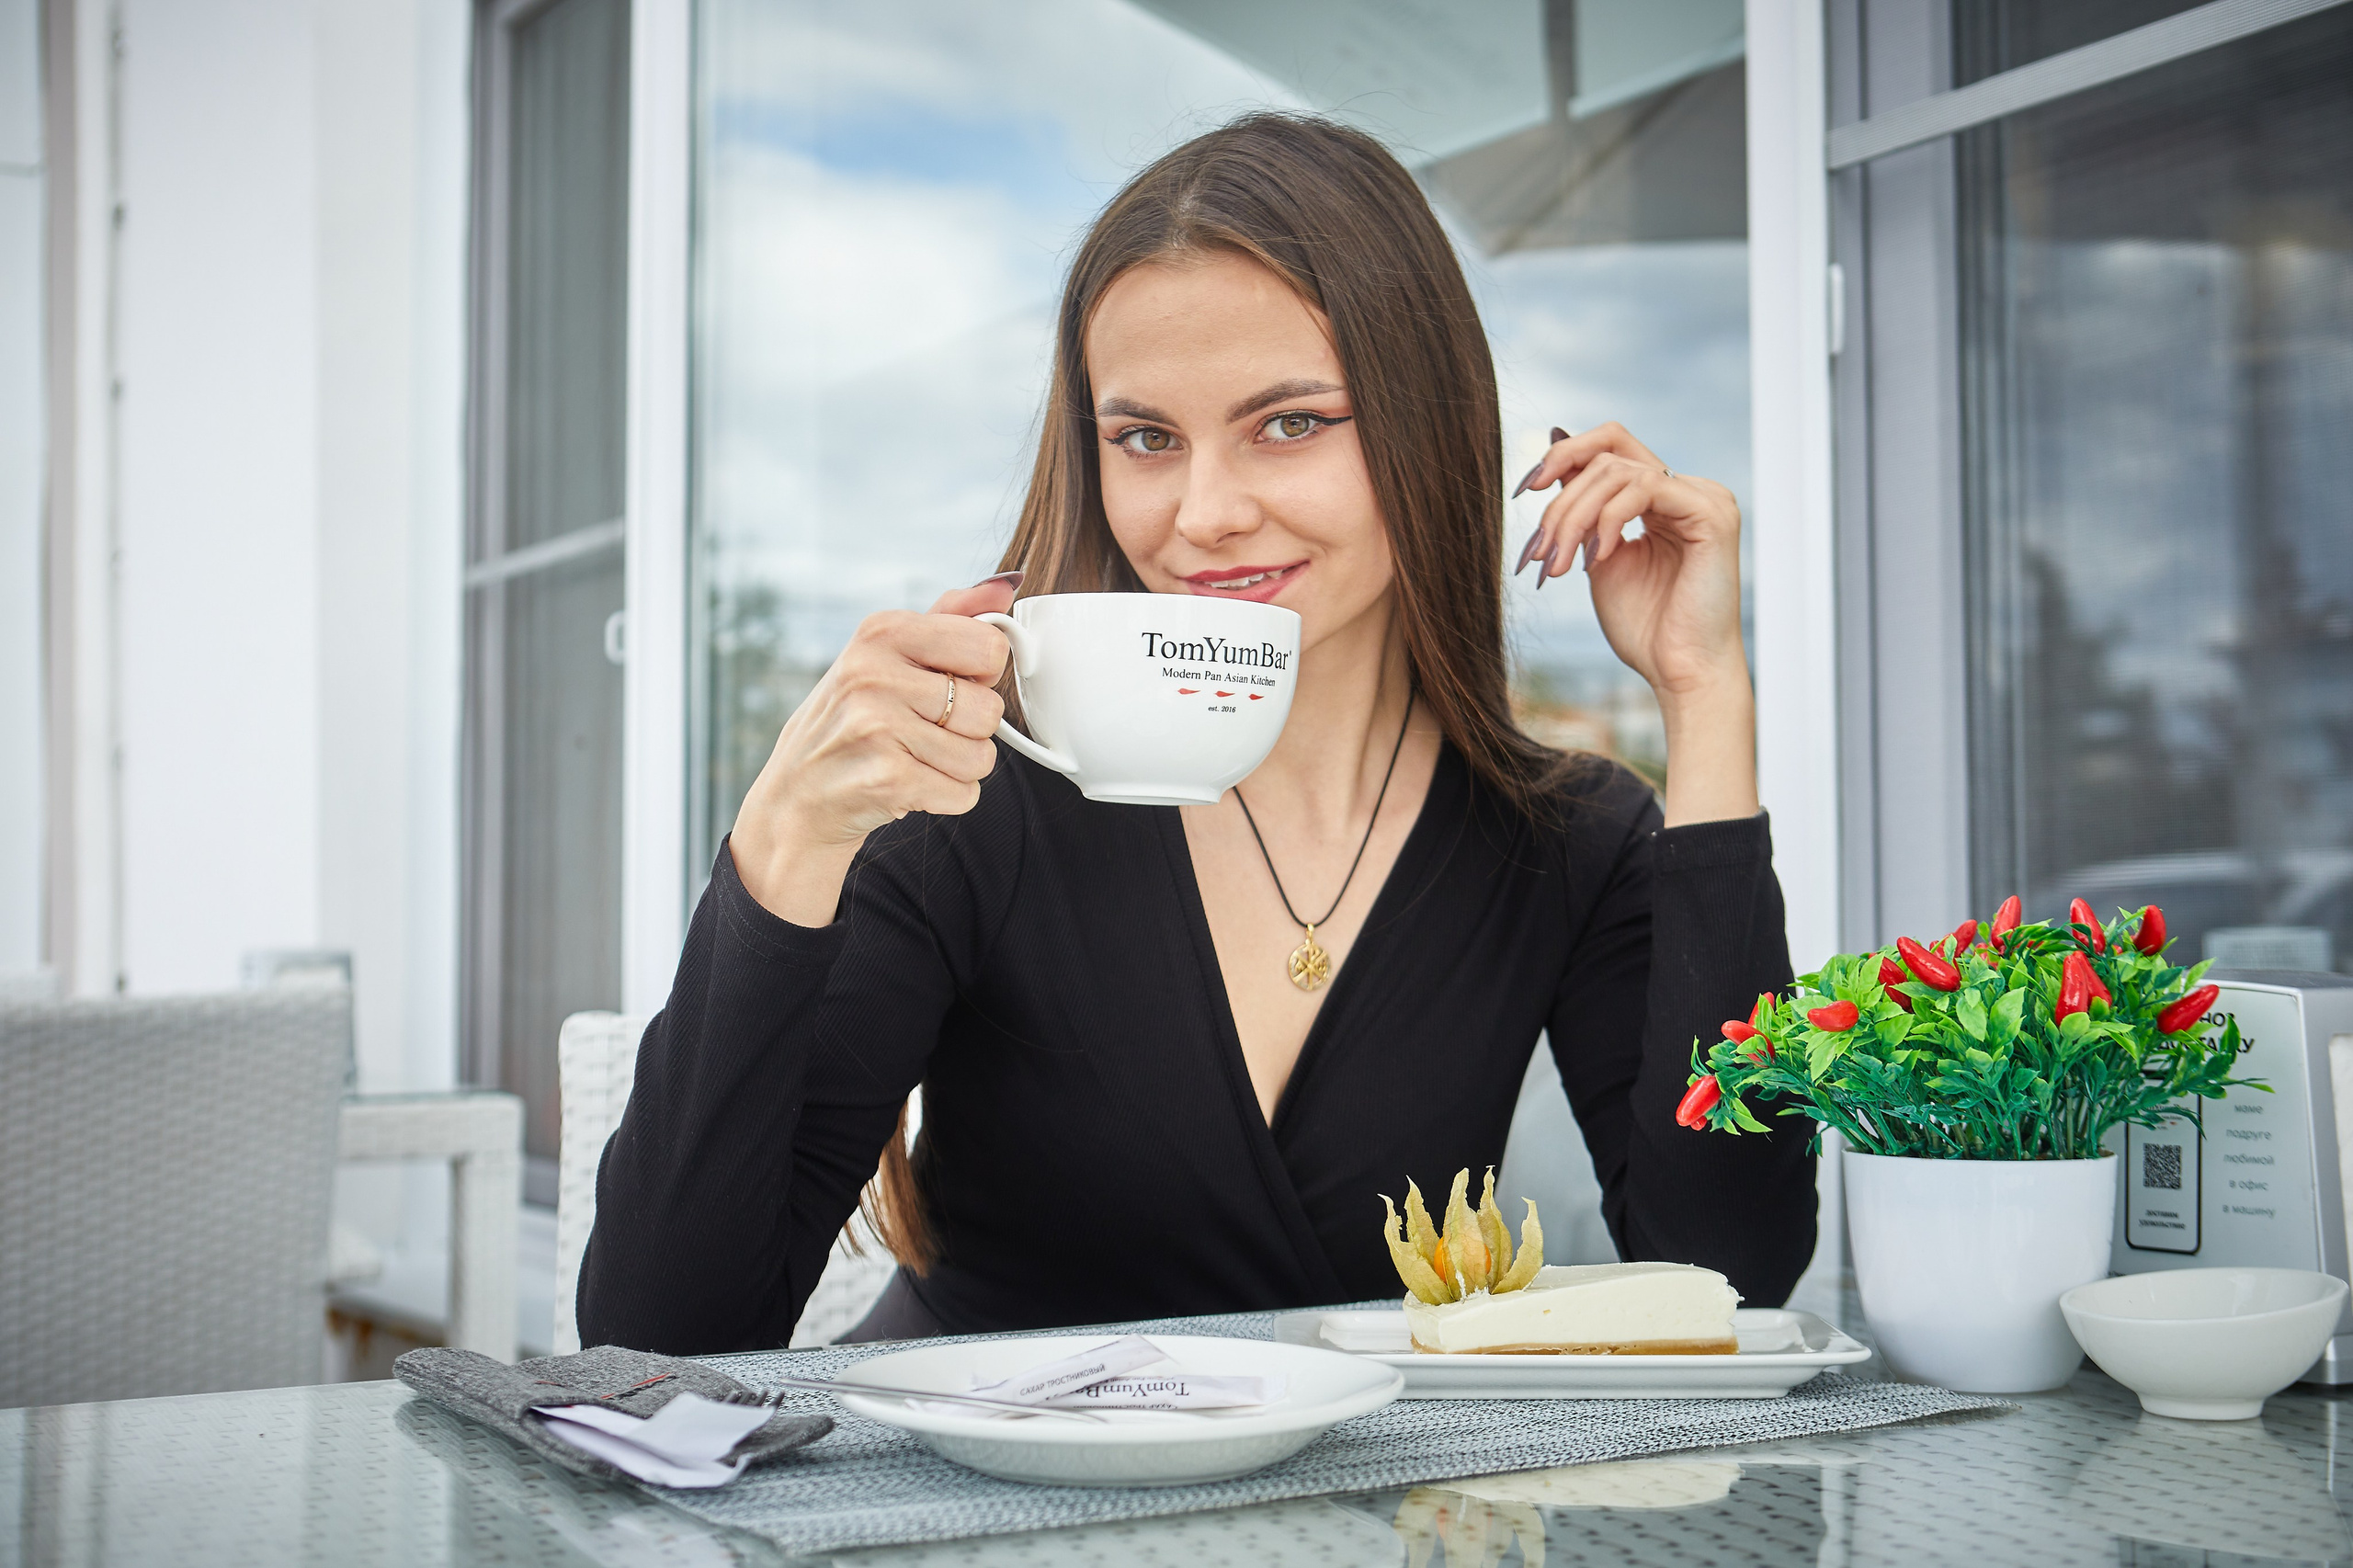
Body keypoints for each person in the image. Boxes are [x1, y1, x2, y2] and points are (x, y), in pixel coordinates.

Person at [580, 114, 1813, 1353]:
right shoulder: (973, 795)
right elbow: (658, 1339)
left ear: (1428, 423)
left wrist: (1704, 695)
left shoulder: (1566, 840)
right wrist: (785, 839)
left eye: (1289, 422)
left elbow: (1730, 1277)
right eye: (1145, 438)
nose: (1206, 512)